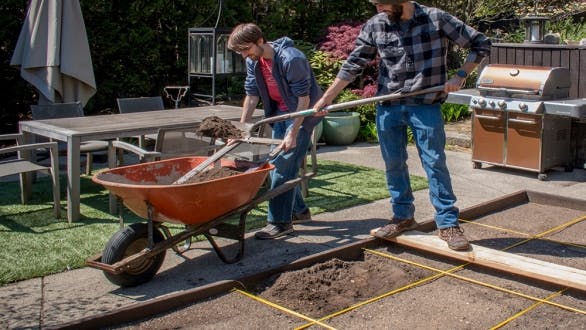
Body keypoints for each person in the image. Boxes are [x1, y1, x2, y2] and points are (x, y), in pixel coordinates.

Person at [313, 0, 491, 250]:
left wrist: (460, 75)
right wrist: (326, 97)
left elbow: (480, 44)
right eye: (376, 5)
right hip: (389, 105)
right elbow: (354, 63)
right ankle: (403, 216)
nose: (378, 10)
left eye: (383, 4)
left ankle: (448, 223)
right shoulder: (376, 25)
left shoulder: (436, 19)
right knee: (394, 164)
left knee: (434, 163)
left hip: (425, 105)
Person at [227, 23, 323, 239]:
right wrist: (241, 129)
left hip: (303, 116)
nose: (244, 55)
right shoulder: (254, 62)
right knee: (278, 168)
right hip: (280, 116)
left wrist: (293, 133)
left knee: (281, 167)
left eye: (246, 49)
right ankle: (299, 211)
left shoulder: (292, 58)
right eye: (240, 51)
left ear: (260, 40)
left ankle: (280, 223)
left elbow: (304, 99)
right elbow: (251, 95)